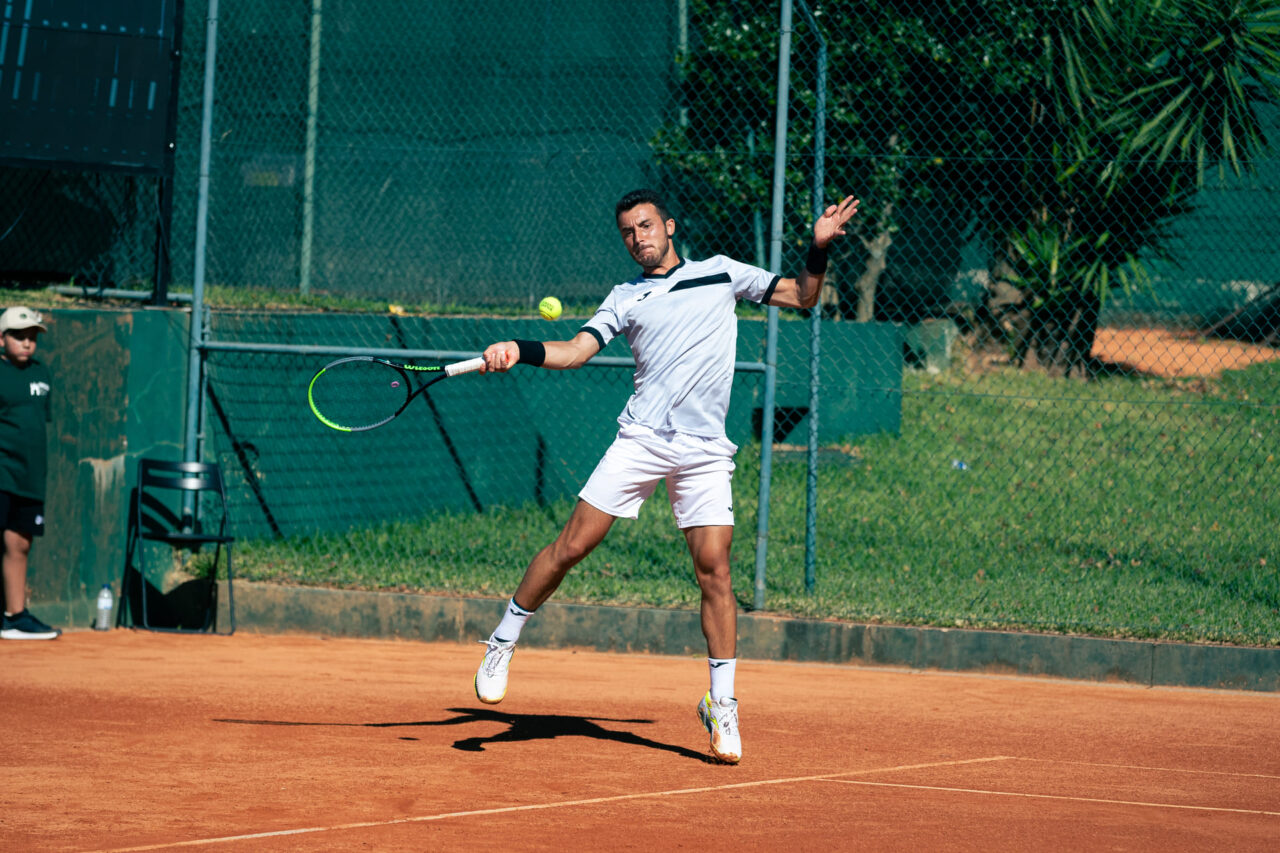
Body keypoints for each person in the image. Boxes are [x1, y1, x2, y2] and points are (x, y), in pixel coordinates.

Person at [473, 188, 859, 764]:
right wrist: (519, 348)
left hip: (703, 449)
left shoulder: (722, 274)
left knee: (716, 573)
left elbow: (803, 296)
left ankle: (721, 705)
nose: (638, 238)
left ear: (670, 226)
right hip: (644, 440)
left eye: (646, 226)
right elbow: (576, 351)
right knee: (572, 546)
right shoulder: (624, 298)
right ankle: (503, 639)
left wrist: (819, 247)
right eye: (628, 232)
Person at [0, 306, 60, 640]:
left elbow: (39, 425)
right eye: (19, 336)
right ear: (1, 338)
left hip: (30, 475)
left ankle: (15, 617)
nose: (27, 343)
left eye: (32, 337)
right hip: (1, 471)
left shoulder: (42, 374)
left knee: (19, 543)